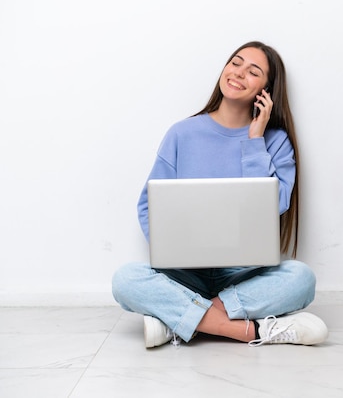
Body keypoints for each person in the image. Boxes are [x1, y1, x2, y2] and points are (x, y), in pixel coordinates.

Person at [112, 41, 328, 348]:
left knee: (301, 279)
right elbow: (149, 205)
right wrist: (175, 249)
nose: (238, 73)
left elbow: (275, 205)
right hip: (184, 273)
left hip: (244, 275)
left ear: (266, 91)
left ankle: (180, 321)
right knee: (125, 280)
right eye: (235, 63)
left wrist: (254, 141)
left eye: (253, 72)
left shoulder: (275, 141)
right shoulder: (182, 133)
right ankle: (251, 331)